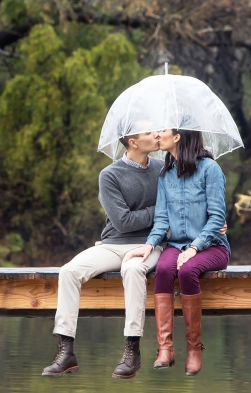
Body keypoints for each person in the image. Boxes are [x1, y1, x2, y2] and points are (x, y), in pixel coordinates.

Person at [42, 130, 164, 379]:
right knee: (68, 271)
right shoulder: (109, 175)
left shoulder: (164, 169)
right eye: (149, 133)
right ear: (133, 142)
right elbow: (123, 222)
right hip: (112, 244)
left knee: (132, 270)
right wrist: (162, 210)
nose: (156, 135)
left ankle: (132, 350)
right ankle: (66, 352)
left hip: (150, 245)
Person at [124, 128, 230, 377]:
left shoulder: (210, 169)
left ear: (178, 137)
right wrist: (149, 245)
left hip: (212, 246)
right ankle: (165, 349)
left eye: (163, 131)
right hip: (176, 245)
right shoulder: (166, 175)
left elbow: (217, 219)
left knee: (187, 270)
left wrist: (195, 248)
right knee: (162, 269)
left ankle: (194, 349)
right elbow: (161, 219)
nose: (158, 136)